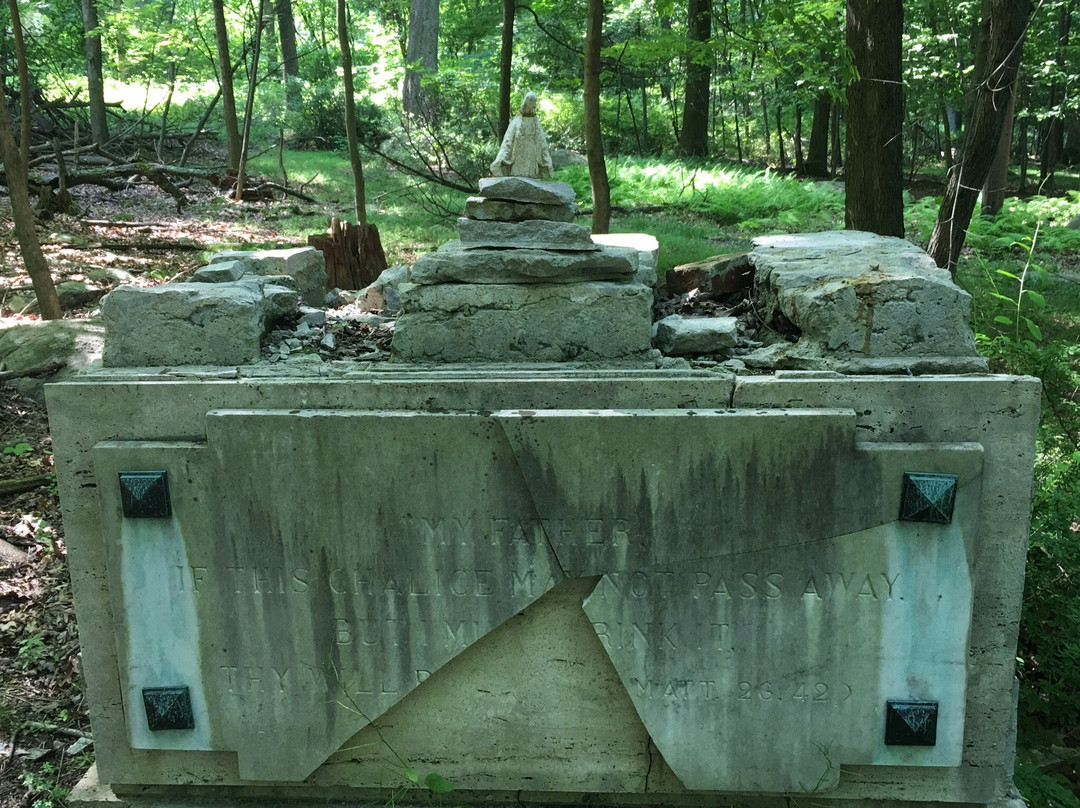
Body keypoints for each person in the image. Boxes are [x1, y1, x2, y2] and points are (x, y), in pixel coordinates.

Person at [490, 92, 554, 179]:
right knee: (517, 177)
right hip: (518, 154)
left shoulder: (535, 123)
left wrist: (546, 159)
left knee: (531, 178)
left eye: (534, 100)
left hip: (531, 155)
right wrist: (502, 156)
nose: (532, 102)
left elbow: (541, 141)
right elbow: (508, 140)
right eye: (530, 99)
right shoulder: (517, 121)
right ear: (526, 100)